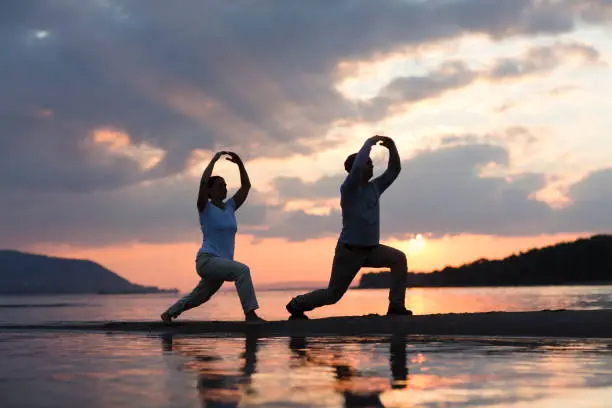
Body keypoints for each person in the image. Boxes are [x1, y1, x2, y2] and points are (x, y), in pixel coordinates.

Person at [286, 135, 412, 319]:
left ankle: (396, 307)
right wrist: (369, 143)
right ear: (355, 169)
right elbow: (359, 166)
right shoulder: (349, 189)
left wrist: (392, 147)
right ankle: (296, 304)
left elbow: (394, 170)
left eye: (371, 163)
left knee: (398, 259)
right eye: (368, 163)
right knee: (333, 295)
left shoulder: (375, 187)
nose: (371, 166)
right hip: (349, 252)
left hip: (371, 250)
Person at [161, 151, 264, 323]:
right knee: (242, 271)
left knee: (200, 296)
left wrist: (240, 164)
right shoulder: (204, 207)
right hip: (207, 260)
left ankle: (169, 313)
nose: (224, 188)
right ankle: (250, 315)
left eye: (225, 185)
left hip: (220, 263)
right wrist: (213, 162)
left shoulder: (230, 206)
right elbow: (202, 183)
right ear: (209, 191)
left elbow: (246, 186)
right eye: (219, 185)